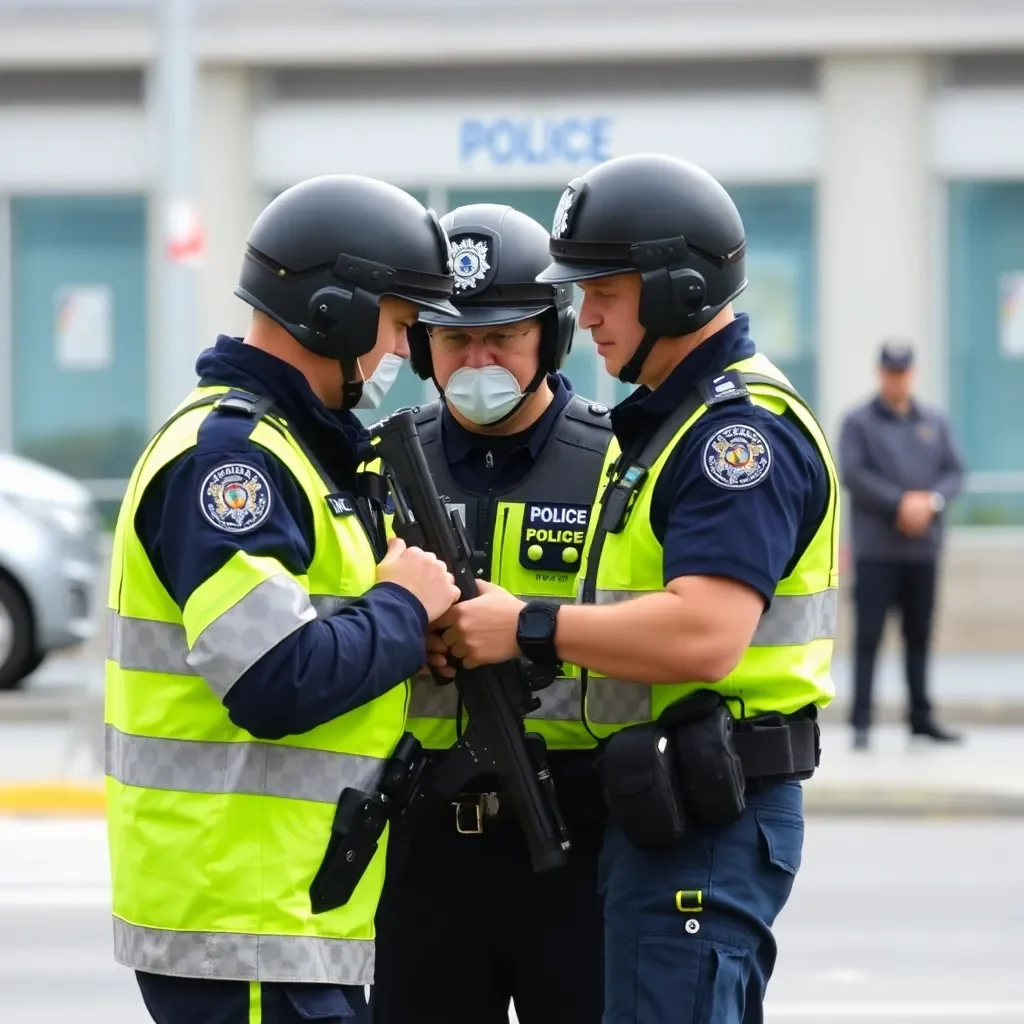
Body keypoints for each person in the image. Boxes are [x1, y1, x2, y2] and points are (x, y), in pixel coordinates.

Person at [431, 153, 839, 1024]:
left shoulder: (737, 437)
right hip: (664, 810)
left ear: (679, 290)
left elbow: (706, 634)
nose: (590, 316)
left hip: (709, 811)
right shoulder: (668, 426)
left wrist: (525, 627)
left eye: (606, 291)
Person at [103, 174, 464, 1024]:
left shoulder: (293, 450)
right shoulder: (232, 465)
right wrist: (403, 611)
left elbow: (312, 637)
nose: (401, 358)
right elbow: (273, 677)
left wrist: (405, 641)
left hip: (282, 916)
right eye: (402, 326)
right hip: (247, 920)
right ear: (335, 312)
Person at [372, 203, 612, 1024]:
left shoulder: (620, 464)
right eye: (453, 339)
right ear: (419, 348)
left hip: (581, 836)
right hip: (424, 843)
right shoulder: (376, 470)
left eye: (502, 337)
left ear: (551, 336)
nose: (478, 360)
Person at [838, 341, 965, 750]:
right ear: (881, 373)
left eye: (904, 371)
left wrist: (931, 502)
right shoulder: (858, 421)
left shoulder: (934, 421)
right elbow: (854, 473)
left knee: (920, 634)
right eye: (891, 372)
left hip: (922, 548)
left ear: (913, 373)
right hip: (876, 549)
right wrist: (901, 503)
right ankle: (861, 721)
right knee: (869, 635)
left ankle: (920, 716)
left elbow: (954, 471)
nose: (897, 379)